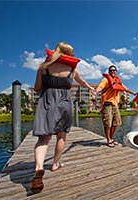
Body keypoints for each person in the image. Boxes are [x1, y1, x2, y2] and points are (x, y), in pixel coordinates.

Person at [30, 42, 95, 193]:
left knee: (44, 139)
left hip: (46, 101)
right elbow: (82, 82)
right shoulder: (72, 68)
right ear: (67, 53)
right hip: (65, 102)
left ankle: (39, 169)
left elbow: (37, 88)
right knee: (61, 136)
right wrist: (91, 89)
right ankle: (55, 164)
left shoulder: (43, 66)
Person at [93, 65, 136, 147]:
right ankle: (108, 140)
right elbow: (100, 87)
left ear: (116, 72)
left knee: (116, 123)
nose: (113, 71)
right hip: (107, 104)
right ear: (109, 72)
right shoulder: (105, 80)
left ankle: (111, 138)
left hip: (115, 105)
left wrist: (134, 93)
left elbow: (126, 89)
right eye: (111, 70)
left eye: (114, 70)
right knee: (107, 124)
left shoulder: (118, 81)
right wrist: (96, 91)